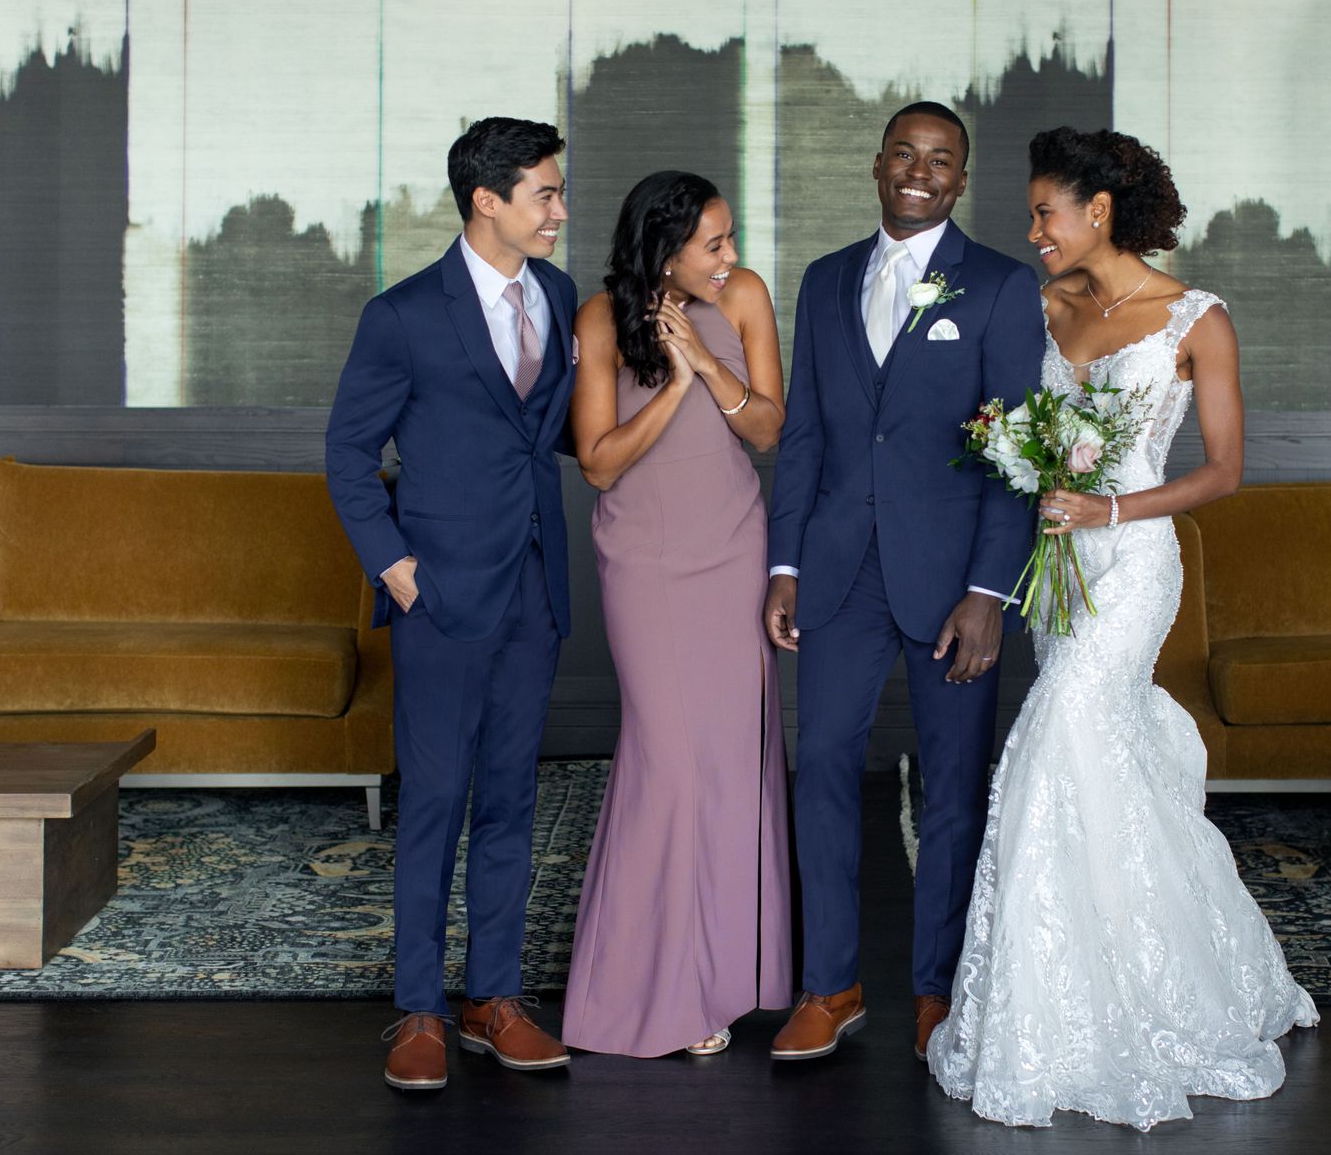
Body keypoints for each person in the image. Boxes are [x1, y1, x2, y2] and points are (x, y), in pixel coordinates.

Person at [925, 126, 1319, 1129]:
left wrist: (1107, 509)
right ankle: (1082, 982)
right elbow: (998, 420)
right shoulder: (1039, 304)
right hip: (1055, 569)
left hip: (1132, 565)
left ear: (1098, 211)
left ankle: (1107, 1009)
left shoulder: (1197, 317)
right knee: (1103, 768)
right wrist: (1013, 457)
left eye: (1045, 211)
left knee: (1056, 743)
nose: (1033, 230)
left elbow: (1224, 470)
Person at [764, 102, 1044, 1062]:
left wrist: (989, 592)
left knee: (955, 791)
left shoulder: (1004, 288)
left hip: (953, 586)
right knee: (823, 777)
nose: (920, 171)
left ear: (962, 180)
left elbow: (1017, 453)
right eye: (905, 154)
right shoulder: (823, 279)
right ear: (877, 164)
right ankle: (828, 986)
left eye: (942, 160)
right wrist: (787, 562)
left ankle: (940, 991)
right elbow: (804, 435)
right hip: (839, 576)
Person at [325, 117, 579, 1090]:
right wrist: (394, 565)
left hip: (533, 585)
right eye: (546, 194)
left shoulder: (556, 294)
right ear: (488, 201)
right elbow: (349, 452)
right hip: (437, 589)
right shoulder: (402, 316)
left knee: (512, 796)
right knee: (433, 800)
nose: (560, 210)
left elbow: (545, 432)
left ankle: (494, 998)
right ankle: (419, 1009)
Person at [561, 171, 793, 1057]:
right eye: (714, 243)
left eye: (730, 239)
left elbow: (768, 428)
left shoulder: (744, 299)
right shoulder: (599, 320)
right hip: (645, 565)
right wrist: (675, 385)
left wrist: (706, 364)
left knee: (732, 766)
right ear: (663, 249)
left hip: (731, 550)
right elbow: (599, 465)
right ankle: (653, 989)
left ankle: (724, 984)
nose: (730, 257)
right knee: (668, 765)